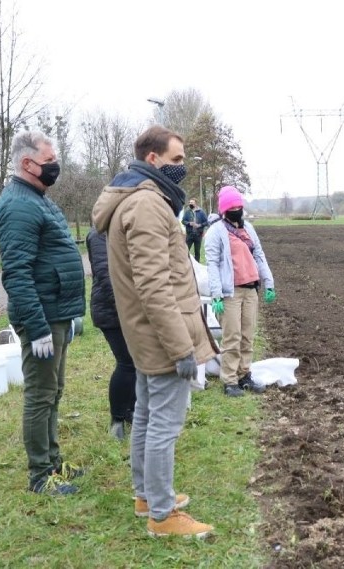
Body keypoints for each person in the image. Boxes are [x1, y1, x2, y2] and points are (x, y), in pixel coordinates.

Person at [92, 125, 216, 538]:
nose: (181, 168)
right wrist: (182, 347)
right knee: (165, 423)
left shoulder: (141, 199)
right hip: (162, 334)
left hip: (145, 332)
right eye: (176, 160)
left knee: (145, 414)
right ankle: (162, 516)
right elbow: (153, 284)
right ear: (153, 160)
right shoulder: (146, 204)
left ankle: (146, 494)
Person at [0, 130, 86, 495]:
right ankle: (40, 476)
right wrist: (38, 326)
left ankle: (53, 461)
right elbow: (16, 273)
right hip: (42, 317)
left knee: (54, 389)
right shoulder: (18, 206)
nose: (55, 167)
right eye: (49, 161)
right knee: (40, 393)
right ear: (27, 163)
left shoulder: (38, 198)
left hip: (56, 311)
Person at [205, 186, 276, 397]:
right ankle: (229, 380)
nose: (237, 209)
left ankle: (245, 374)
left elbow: (260, 256)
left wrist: (269, 282)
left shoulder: (249, 229)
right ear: (225, 209)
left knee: (247, 336)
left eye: (239, 205)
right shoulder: (215, 232)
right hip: (230, 293)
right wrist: (217, 294)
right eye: (233, 206)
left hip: (250, 290)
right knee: (232, 337)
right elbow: (212, 264)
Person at [86, 226, 136, 441]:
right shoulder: (98, 235)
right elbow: (106, 275)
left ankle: (131, 410)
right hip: (110, 309)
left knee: (135, 363)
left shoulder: (123, 230)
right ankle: (117, 419)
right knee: (126, 362)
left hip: (130, 309)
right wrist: (129, 304)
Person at [182, 198, 208, 262]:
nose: (190, 204)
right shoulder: (187, 212)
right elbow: (183, 221)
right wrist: (189, 223)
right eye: (190, 202)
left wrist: (200, 225)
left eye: (192, 203)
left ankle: (197, 266)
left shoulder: (201, 212)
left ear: (196, 204)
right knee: (185, 250)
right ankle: (185, 263)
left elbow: (206, 222)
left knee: (197, 252)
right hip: (189, 234)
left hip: (198, 235)